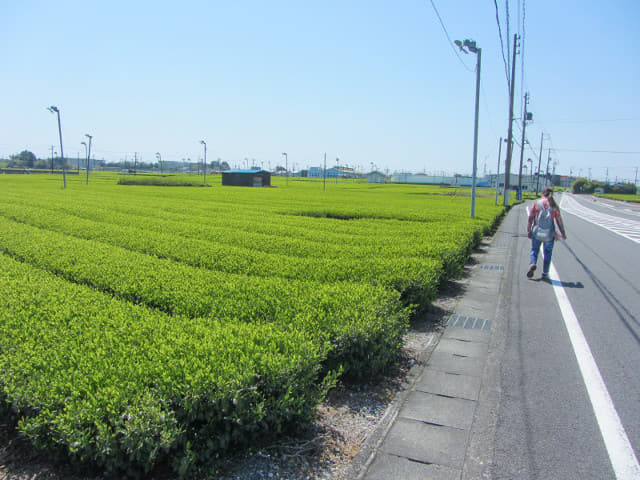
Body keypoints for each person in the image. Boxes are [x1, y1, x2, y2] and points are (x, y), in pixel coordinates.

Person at [526, 186, 567, 279]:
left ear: (543, 193)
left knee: (534, 250)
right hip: (549, 233)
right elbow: (559, 221)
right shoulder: (554, 206)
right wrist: (563, 233)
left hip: (537, 231)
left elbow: (531, 217)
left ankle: (532, 263)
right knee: (547, 252)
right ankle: (545, 272)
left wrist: (529, 230)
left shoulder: (537, 203)